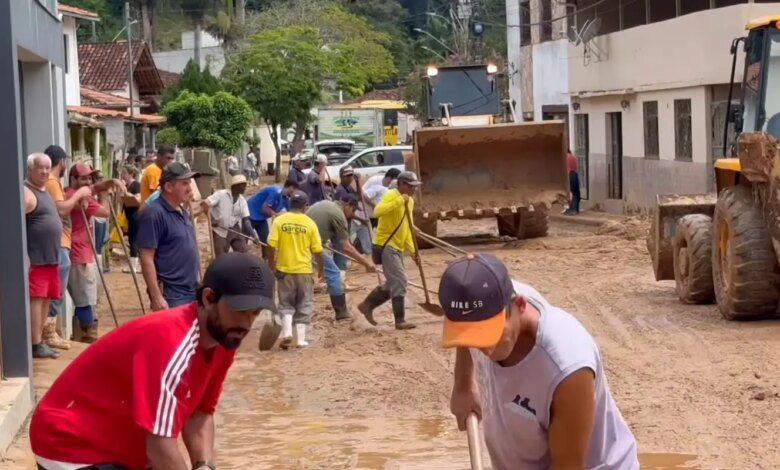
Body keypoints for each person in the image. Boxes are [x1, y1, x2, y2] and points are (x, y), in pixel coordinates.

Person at [29, 252, 277, 470]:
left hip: (124, 444)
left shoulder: (224, 339)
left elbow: (200, 413)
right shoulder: (171, 342)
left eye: (255, 314)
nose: (246, 325)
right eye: (240, 311)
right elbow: (159, 444)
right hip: (71, 445)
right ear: (208, 298)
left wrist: (204, 465)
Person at [441, 253, 639, 469]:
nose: (484, 349)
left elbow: (568, 466)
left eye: (490, 335)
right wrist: (462, 386)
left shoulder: (567, 368)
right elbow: (465, 325)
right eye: (472, 337)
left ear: (520, 305)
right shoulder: (484, 298)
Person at [42, 145, 91, 351]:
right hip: (61, 244)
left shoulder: (51, 183)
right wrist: (79, 194)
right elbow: (62, 209)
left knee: (55, 292)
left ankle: (49, 333)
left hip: (62, 244)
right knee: (56, 292)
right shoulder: (52, 182)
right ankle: (49, 334)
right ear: (61, 162)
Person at [65, 163, 122, 343]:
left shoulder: (73, 192)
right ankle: (87, 338)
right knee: (85, 300)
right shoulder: (77, 197)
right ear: (73, 179)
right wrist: (104, 194)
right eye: (83, 178)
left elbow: (94, 187)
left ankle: (81, 336)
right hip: (79, 254)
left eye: (90, 178)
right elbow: (105, 213)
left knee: (86, 298)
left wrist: (107, 183)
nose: (87, 182)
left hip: (80, 252)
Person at [357, 171, 421, 330]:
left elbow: (406, 227)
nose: (413, 190)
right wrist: (399, 200)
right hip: (386, 245)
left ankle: (367, 305)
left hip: (398, 246)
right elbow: (378, 211)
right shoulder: (392, 195)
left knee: (394, 282)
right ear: (402, 185)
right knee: (400, 280)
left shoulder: (410, 201)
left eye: (415, 187)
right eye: (411, 187)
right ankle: (400, 320)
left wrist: (413, 251)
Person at [136, 162, 201, 310]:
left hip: (191, 290)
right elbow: (146, 257)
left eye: (189, 183)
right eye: (184, 183)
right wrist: (156, 296)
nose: (190, 188)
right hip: (172, 295)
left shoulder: (180, 210)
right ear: (169, 187)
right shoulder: (154, 214)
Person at [267, 190, 324, 348]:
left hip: (284, 270)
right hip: (304, 271)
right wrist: (321, 270)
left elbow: (271, 245)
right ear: (305, 206)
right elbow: (317, 250)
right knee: (304, 304)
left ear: (290, 204)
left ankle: (286, 332)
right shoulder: (310, 223)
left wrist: (272, 265)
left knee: (285, 303)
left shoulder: (279, 221)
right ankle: (300, 340)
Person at [307, 195, 376, 320]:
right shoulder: (339, 215)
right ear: (348, 205)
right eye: (353, 210)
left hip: (301, 243)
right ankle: (341, 312)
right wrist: (366, 263)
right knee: (334, 274)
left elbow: (337, 242)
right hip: (310, 246)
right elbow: (346, 247)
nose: (352, 214)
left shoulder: (326, 204)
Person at [24, 154, 65, 359]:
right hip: (37, 259)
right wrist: (24, 256)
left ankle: (39, 341)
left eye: (48, 168)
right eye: (40, 168)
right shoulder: (26, 192)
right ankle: (34, 343)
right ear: (30, 169)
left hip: (51, 258)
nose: (45, 172)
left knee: (47, 298)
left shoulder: (43, 191)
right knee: (37, 300)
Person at [201, 174, 252, 257]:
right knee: (221, 257)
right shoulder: (220, 195)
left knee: (244, 254)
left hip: (234, 229)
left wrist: (253, 235)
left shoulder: (242, 200)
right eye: (243, 185)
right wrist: (211, 219)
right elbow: (204, 204)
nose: (245, 188)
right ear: (236, 186)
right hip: (220, 230)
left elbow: (246, 220)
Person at [247, 180, 297, 259]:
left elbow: (291, 212)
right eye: (295, 191)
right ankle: (240, 258)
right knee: (243, 238)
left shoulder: (286, 198)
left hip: (261, 218)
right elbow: (265, 208)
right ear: (291, 188)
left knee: (266, 241)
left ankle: (265, 261)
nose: (295, 194)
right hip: (251, 214)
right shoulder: (275, 192)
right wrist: (276, 216)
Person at [120, 165, 142, 273]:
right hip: (129, 215)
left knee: (134, 240)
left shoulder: (136, 185)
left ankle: (134, 267)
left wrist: (125, 191)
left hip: (136, 215)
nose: (123, 176)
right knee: (131, 239)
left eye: (124, 173)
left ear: (130, 174)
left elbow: (138, 199)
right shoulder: (128, 185)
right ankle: (134, 264)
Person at [565, 148, 580, 215]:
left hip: (569, 174)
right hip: (575, 174)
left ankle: (572, 209)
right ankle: (576, 208)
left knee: (571, 192)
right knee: (575, 192)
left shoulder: (565, 157)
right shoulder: (572, 156)